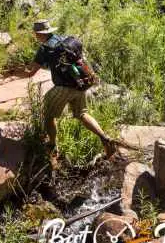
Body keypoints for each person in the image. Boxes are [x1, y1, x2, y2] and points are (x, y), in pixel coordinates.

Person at [24, 19, 117, 162]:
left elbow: (30, 72)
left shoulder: (45, 49)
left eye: (35, 34)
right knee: (82, 114)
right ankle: (106, 139)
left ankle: (53, 145)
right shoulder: (65, 39)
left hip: (64, 88)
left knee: (48, 115)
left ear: (38, 34)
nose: (35, 36)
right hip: (80, 84)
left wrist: (19, 71)